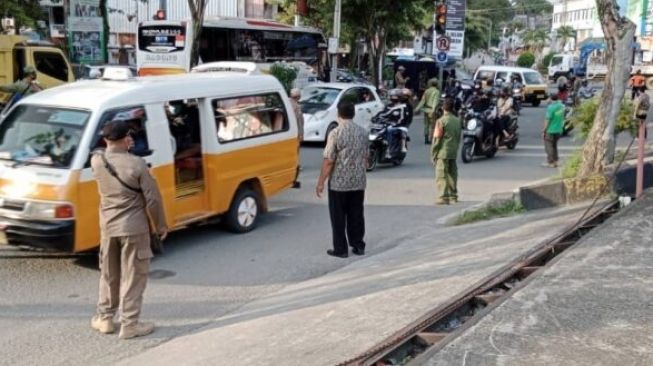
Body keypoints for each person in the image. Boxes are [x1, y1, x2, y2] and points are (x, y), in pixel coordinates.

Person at [90, 120, 167, 339]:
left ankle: (105, 318)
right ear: (126, 139)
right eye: (129, 136)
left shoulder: (97, 161)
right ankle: (130, 324)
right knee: (133, 276)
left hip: (108, 227)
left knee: (109, 274)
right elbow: (152, 199)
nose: (131, 139)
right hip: (134, 229)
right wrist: (160, 225)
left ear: (105, 139)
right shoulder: (137, 164)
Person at [316, 101, 368, 258]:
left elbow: (329, 160)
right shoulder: (363, 132)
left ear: (338, 114)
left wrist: (320, 182)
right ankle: (358, 245)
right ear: (353, 114)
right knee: (356, 214)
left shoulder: (335, 133)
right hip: (358, 181)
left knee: (338, 217)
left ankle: (341, 249)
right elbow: (366, 157)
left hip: (339, 183)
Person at [431, 98, 462, 205]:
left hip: (443, 152)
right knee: (452, 174)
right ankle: (453, 196)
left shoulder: (441, 121)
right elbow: (458, 137)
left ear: (443, 108)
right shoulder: (458, 120)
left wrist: (433, 154)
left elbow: (437, 139)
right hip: (453, 151)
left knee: (441, 175)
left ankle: (443, 197)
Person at [378, 89, 409, 158]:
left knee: (389, 131)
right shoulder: (389, 106)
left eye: (395, 96)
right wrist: (375, 117)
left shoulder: (403, 107)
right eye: (392, 96)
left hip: (400, 126)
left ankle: (389, 150)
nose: (393, 98)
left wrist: (396, 124)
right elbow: (383, 113)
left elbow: (403, 119)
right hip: (389, 125)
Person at [542, 94, 565, 168]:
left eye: (548, 98)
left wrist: (544, 130)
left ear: (550, 99)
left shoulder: (551, 107)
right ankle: (556, 161)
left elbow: (547, 119)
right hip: (558, 129)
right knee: (554, 146)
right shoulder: (561, 106)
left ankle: (551, 162)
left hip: (550, 130)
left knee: (548, 146)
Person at [415, 78, 440, 144]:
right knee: (432, 126)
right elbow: (435, 101)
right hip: (432, 110)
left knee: (426, 125)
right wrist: (433, 110)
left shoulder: (426, 91)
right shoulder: (437, 92)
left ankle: (426, 139)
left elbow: (422, 101)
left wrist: (417, 109)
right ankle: (431, 139)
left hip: (426, 110)